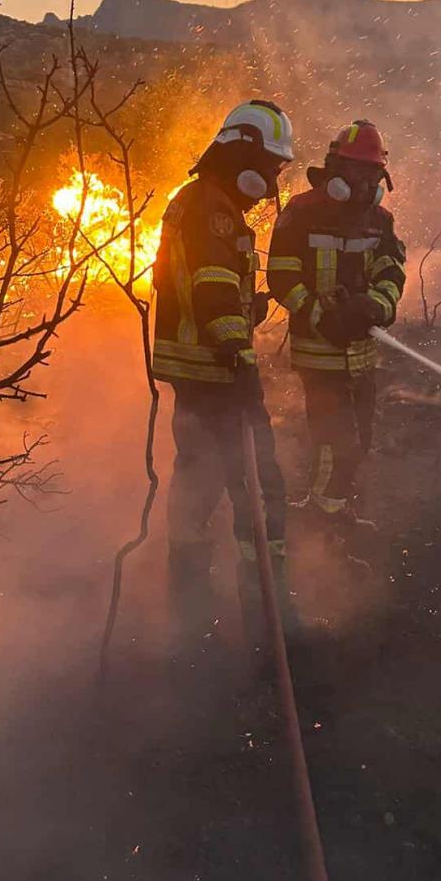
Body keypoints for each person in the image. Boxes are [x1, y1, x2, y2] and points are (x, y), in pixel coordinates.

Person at [153, 100, 295, 651]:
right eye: (272, 166)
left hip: (199, 372)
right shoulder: (211, 207)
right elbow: (211, 287)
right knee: (259, 488)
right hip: (216, 373)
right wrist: (237, 351)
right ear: (243, 155)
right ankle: (267, 612)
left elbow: (200, 291)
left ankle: (190, 610)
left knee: (197, 484)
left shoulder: (201, 201)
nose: (273, 179)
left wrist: (244, 309)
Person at [267, 119, 406, 543]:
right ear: (334, 171)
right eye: (357, 173)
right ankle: (324, 527)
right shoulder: (302, 213)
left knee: (359, 441)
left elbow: (391, 271)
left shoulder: (379, 220)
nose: (365, 183)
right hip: (319, 352)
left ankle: (335, 511)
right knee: (334, 443)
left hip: (362, 355)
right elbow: (281, 276)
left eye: (372, 175)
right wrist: (319, 315)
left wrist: (376, 306)